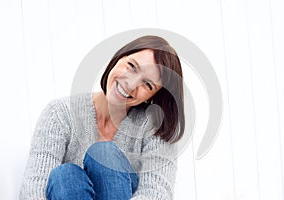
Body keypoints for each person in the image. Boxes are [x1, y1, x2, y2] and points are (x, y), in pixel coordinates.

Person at [20, 35, 185, 200]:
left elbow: (156, 193)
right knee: (65, 176)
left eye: (147, 84)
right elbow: (34, 189)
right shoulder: (59, 114)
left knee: (103, 154)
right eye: (132, 66)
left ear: (152, 96)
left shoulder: (155, 127)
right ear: (118, 58)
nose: (131, 83)